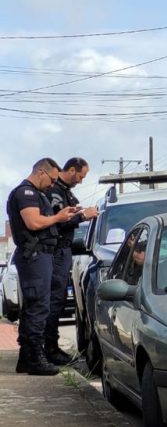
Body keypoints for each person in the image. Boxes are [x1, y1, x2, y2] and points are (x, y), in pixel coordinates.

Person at [6, 158, 78, 375]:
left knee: (34, 307)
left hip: (40, 256)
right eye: (51, 179)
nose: (52, 184)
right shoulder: (25, 193)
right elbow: (33, 223)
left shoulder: (36, 193)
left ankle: (27, 357)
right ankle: (36, 358)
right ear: (40, 172)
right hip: (34, 256)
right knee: (38, 306)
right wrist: (58, 217)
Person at [45, 157, 99, 365]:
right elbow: (57, 222)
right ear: (72, 170)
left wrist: (78, 211)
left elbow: (68, 212)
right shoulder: (55, 191)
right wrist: (83, 217)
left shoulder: (64, 191)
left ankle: (50, 348)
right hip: (56, 251)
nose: (81, 181)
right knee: (53, 302)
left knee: (55, 302)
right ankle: (49, 349)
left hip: (61, 252)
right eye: (81, 176)